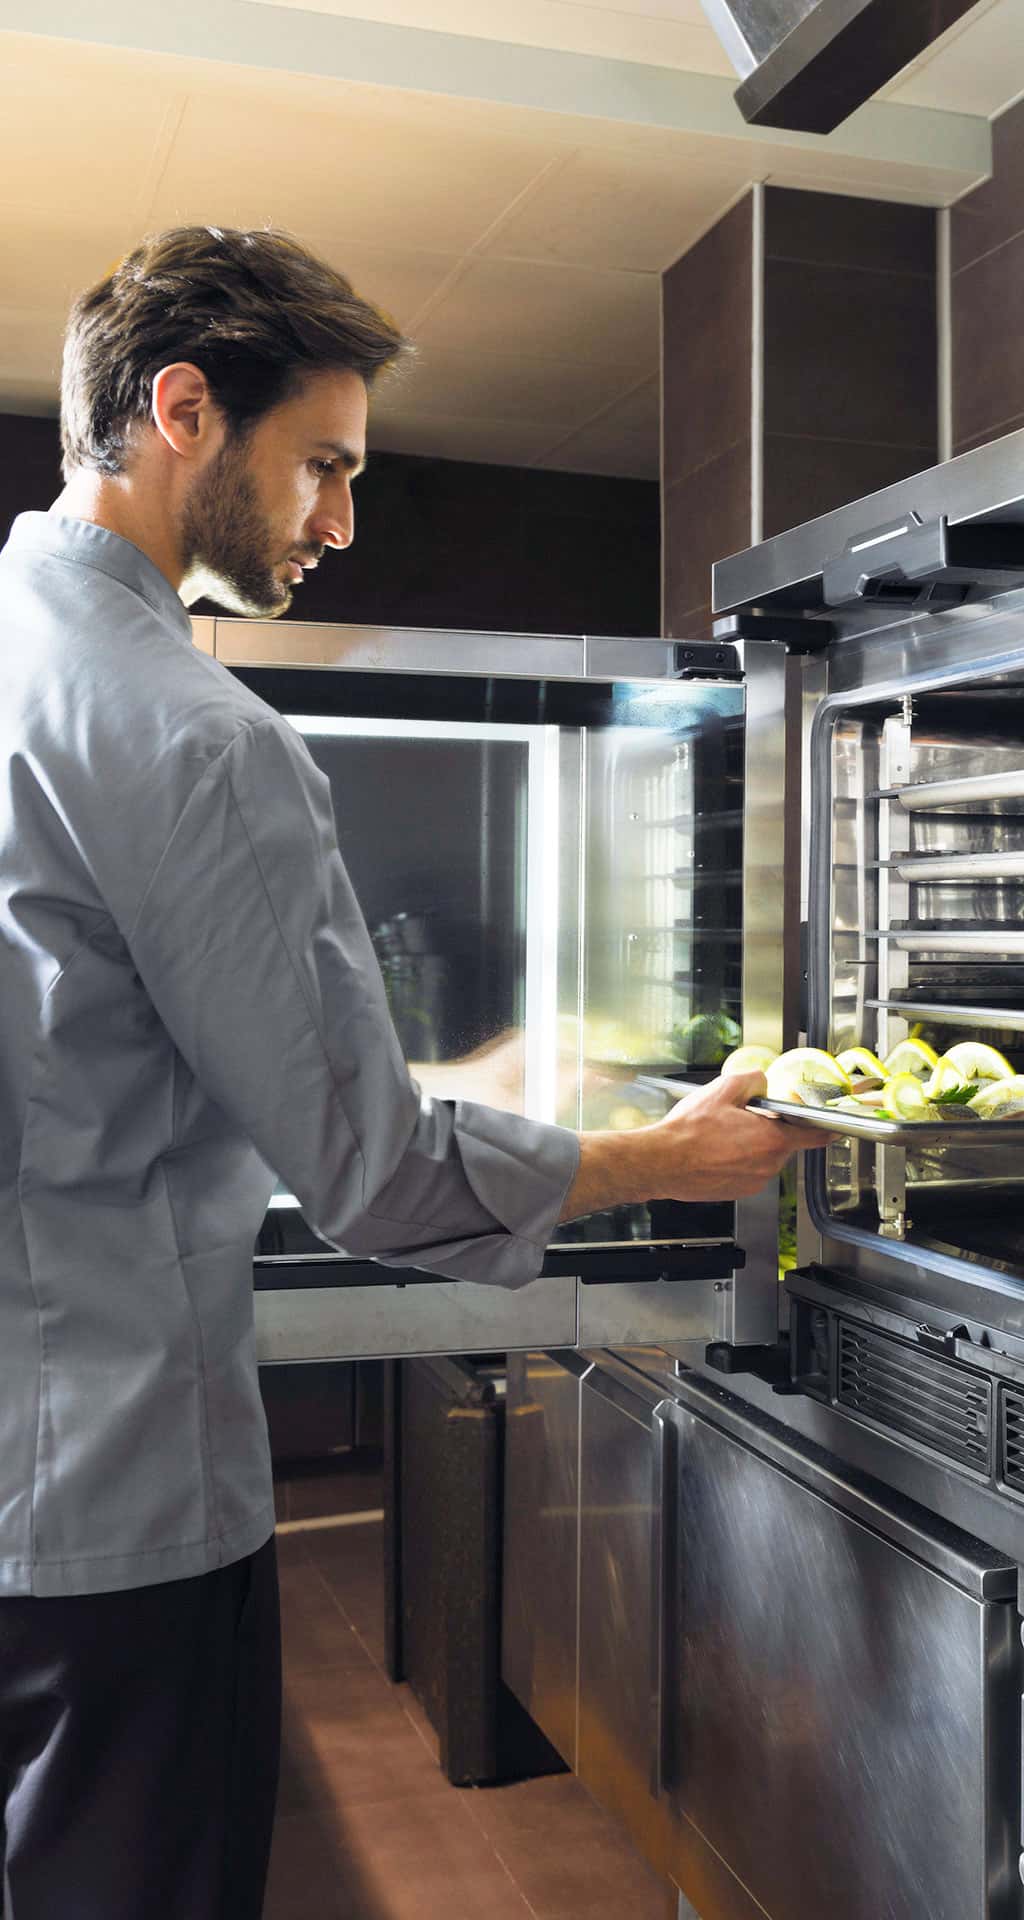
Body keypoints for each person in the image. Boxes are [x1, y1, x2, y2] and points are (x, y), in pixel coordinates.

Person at [0, 225, 819, 1920]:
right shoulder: (196, 730)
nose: (339, 525)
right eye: (324, 466)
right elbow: (370, 1174)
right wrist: (646, 1161)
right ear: (183, 411)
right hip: (106, 1495)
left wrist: (430, 1076)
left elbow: (91, 1043)